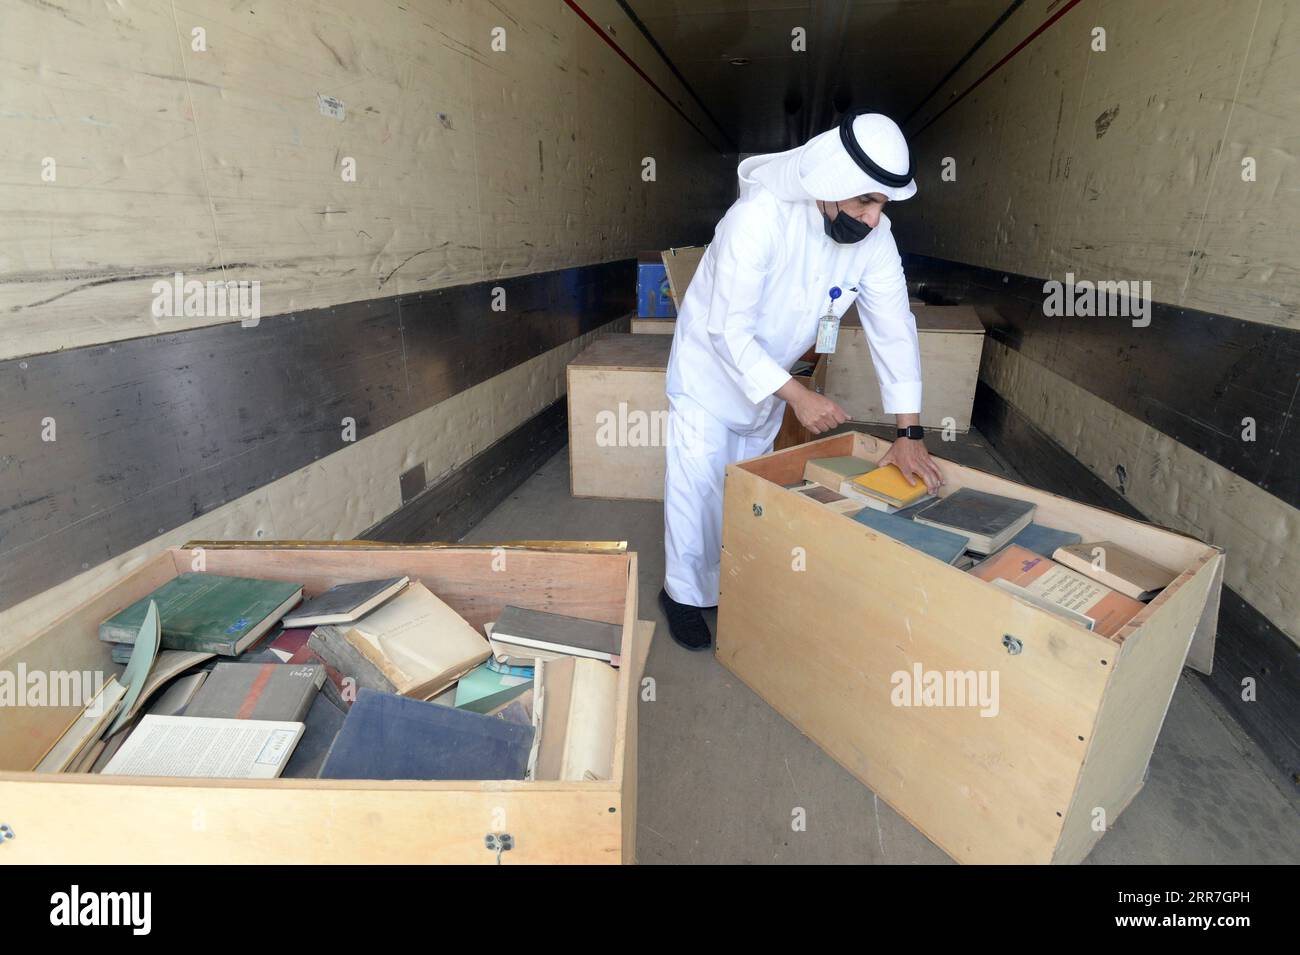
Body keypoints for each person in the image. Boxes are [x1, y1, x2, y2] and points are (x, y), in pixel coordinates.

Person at [659, 110, 944, 651]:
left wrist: (908, 432)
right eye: (865, 201)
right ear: (831, 185)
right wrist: (798, 397)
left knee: (743, 485)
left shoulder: (874, 237)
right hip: (709, 369)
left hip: (767, 380)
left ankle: (732, 582)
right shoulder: (757, 219)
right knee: (696, 487)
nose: (874, 217)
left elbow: (894, 329)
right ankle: (681, 595)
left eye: (883, 203)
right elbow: (727, 330)